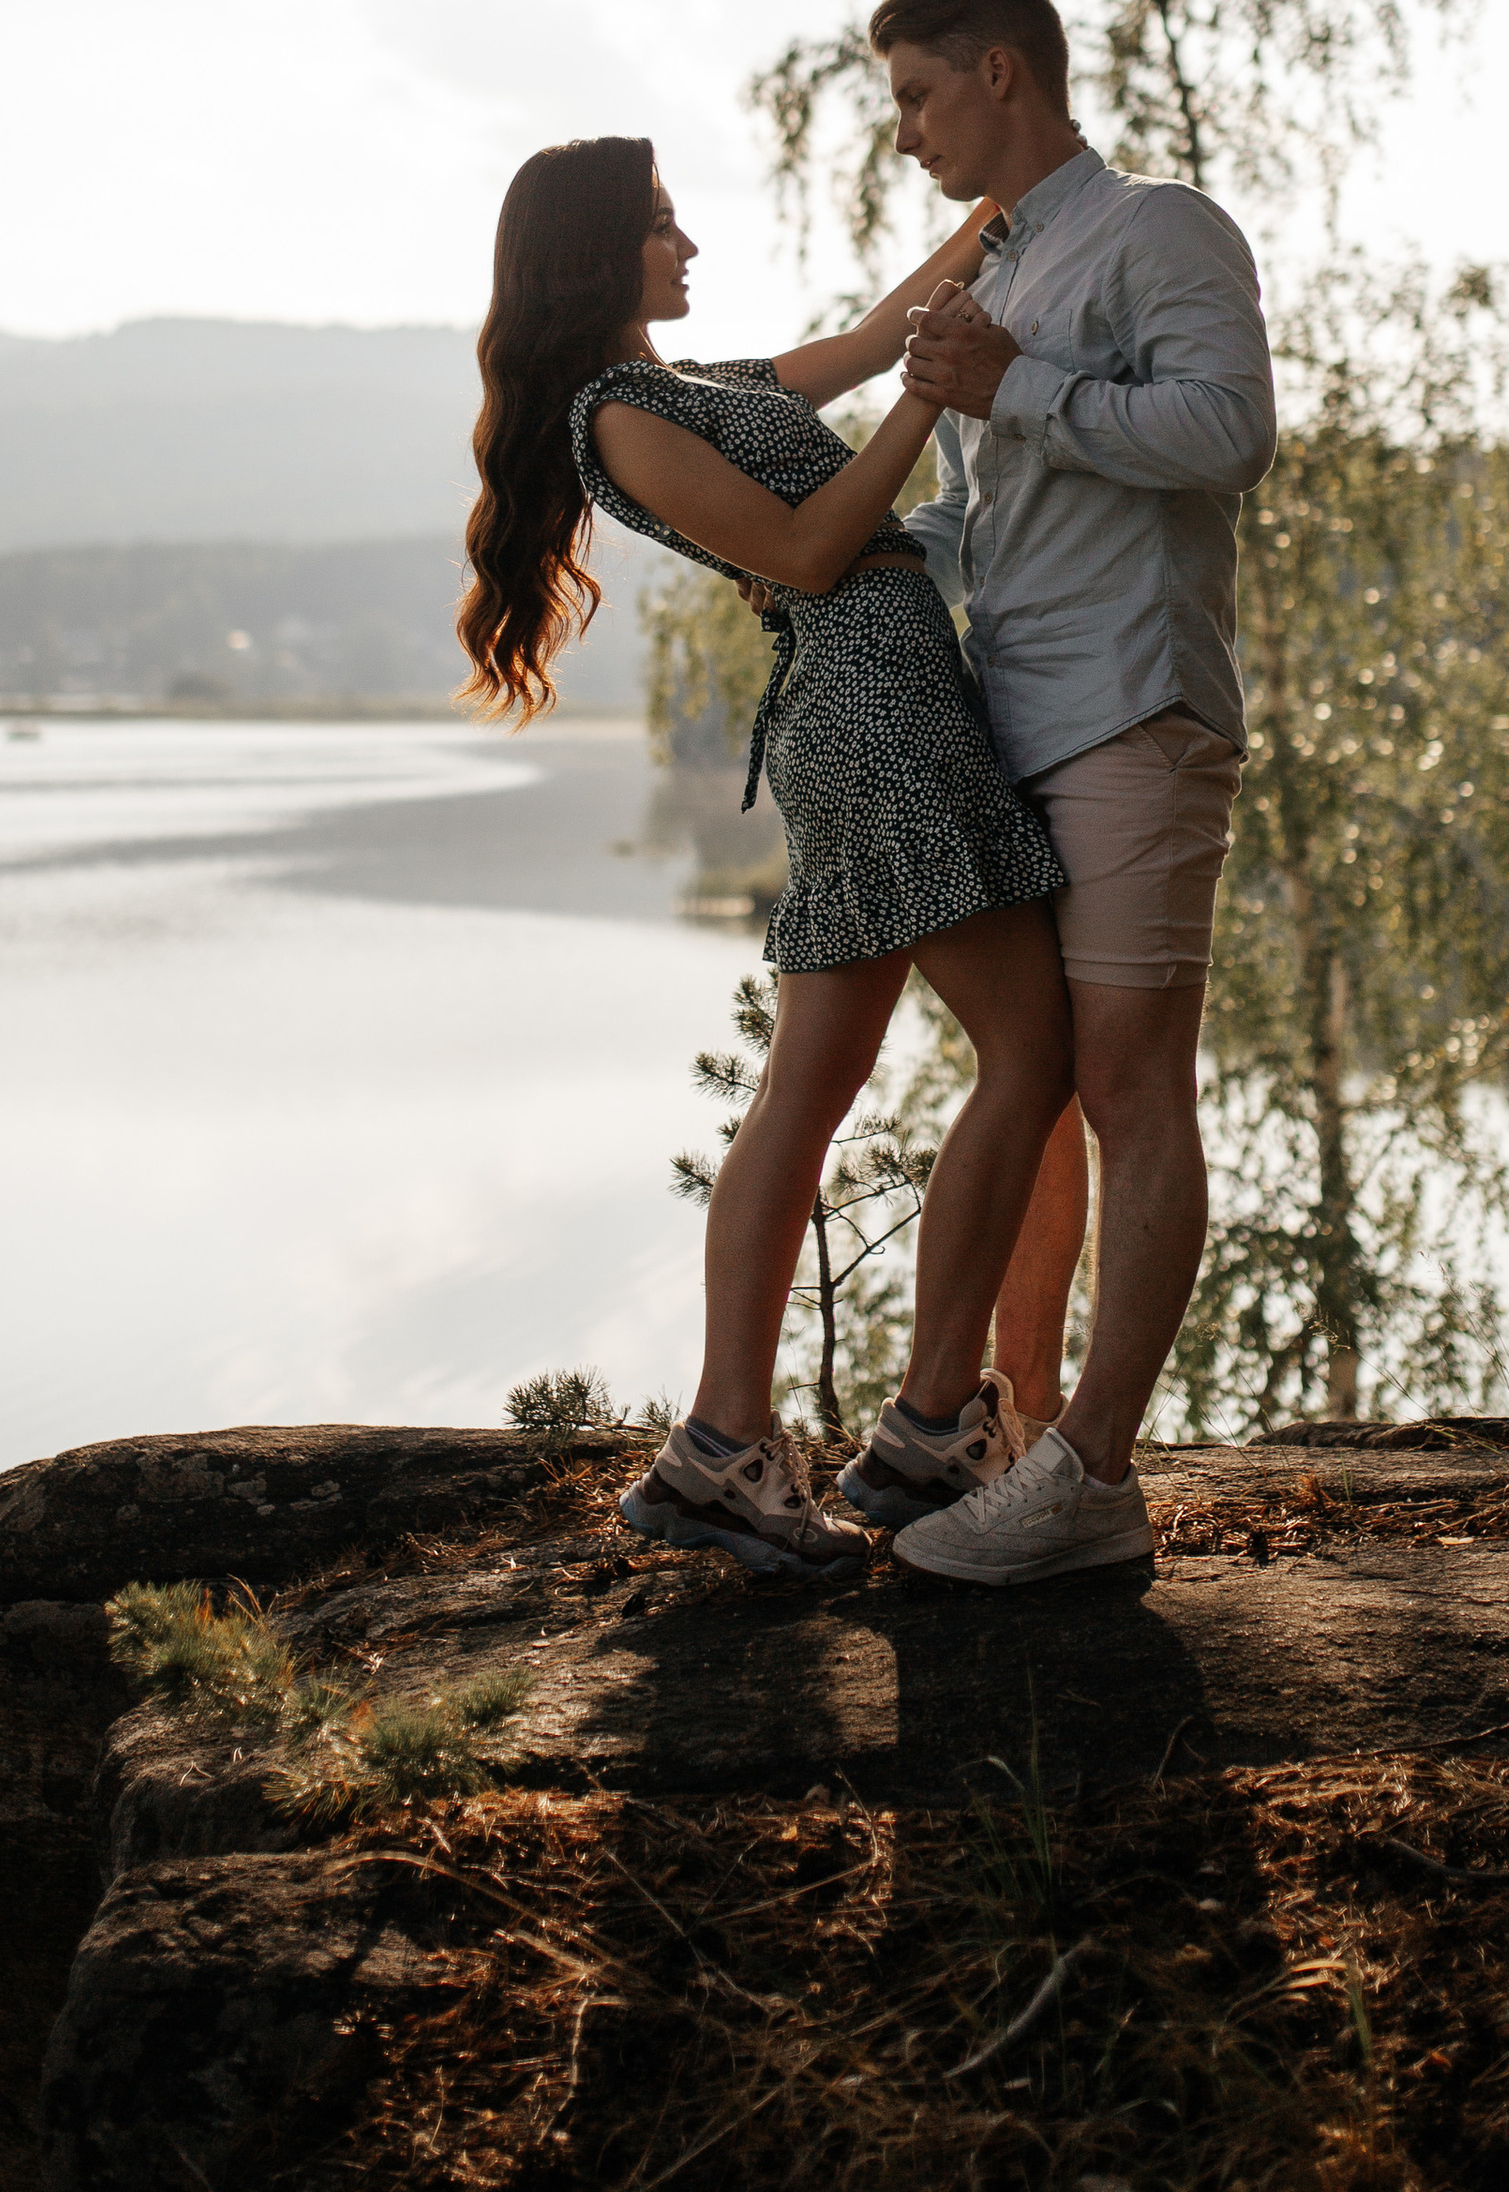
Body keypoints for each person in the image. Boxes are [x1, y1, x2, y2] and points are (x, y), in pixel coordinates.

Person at [456, 133, 1076, 1579]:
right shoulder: (618, 417)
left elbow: (865, 342)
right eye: (663, 228)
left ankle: (725, 1451)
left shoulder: (699, 388)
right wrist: (934, 393)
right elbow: (802, 551)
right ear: (595, 251)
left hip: (879, 714)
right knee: (1034, 1058)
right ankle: (928, 1424)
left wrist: (1008, 207)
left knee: (806, 1093)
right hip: (873, 723)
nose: (687, 248)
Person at [853, 0, 1278, 1586]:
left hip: (1134, 713)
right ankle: (1010, 1435)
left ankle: (1094, 1474)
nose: (907, 136)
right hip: (1013, 719)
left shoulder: (1161, 227)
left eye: (917, 95)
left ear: (1001, 73)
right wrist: (856, 551)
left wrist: (1007, 386)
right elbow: (1002, 518)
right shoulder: (1001, 259)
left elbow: (1229, 432)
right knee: (1029, 1086)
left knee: (1128, 1088)